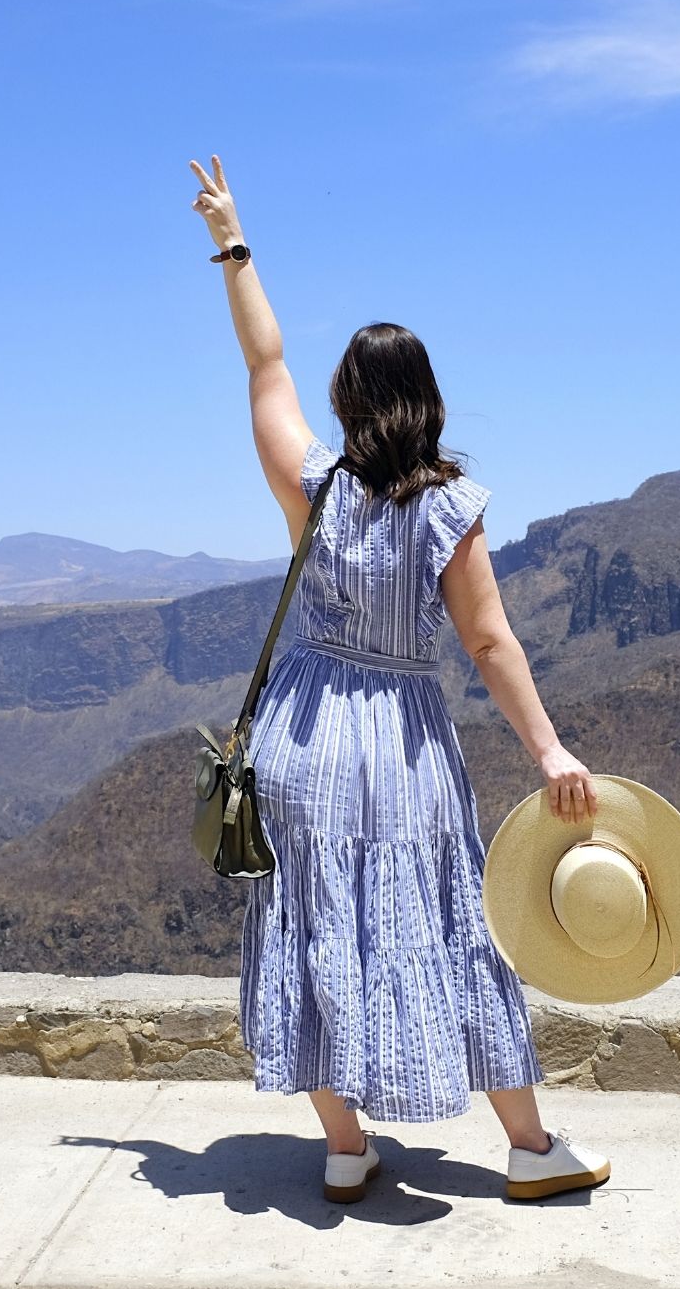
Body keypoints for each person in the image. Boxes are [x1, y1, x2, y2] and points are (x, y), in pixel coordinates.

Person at [188, 155, 613, 1204]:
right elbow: (490, 643)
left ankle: (343, 1146)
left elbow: (262, 368)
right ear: (426, 401)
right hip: (400, 748)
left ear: (345, 399)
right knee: (450, 923)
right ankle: (526, 1147)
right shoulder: (447, 507)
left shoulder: (313, 489)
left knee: (311, 925)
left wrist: (231, 243)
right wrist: (549, 750)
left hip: (300, 739)